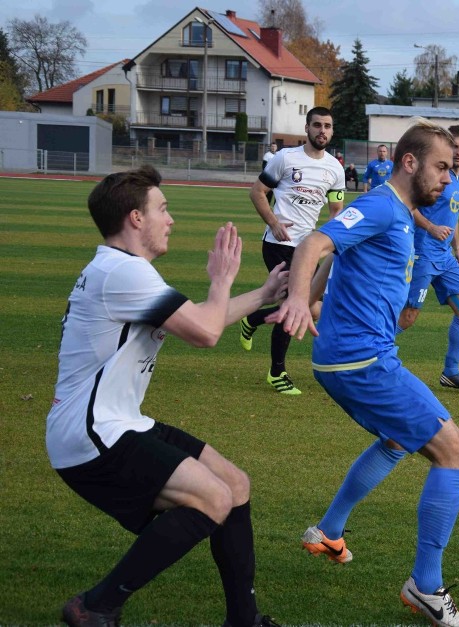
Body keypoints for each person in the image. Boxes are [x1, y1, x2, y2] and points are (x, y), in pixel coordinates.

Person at [47, 165, 287, 627]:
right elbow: (205, 332)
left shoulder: (119, 270)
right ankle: (96, 605)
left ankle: (244, 619)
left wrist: (261, 294)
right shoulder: (124, 272)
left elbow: (199, 318)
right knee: (211, 499)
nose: (170, 219)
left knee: (234, 486)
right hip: (91, 433)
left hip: (116, 421)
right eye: (163, 208)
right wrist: (222, 277)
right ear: (135, 218)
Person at [264, 118, 459, 627]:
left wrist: (310, 301)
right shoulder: (382, 203)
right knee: (454, 453)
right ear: (409, 162)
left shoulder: (398, 212)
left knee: (400, 440)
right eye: (442, 167)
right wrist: (296, 300)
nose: (449, 178)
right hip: (364, 360)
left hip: (348, 359)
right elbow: (316, 243)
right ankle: (426, 587)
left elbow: (336, 260)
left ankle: (329, 531)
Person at [240, 106, 345, 395]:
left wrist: (325, 242)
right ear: (307, 128)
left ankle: (254, 319)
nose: (322, 131)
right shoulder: (284, 159)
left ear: (332, 131)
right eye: (317, 125)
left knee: (309, 308)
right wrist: (272, 222)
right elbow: (257, 192)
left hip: (306, 249)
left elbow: (337, 211)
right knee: (295, 304)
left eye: (327, 126)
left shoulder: (335, 169)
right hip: (278, 244)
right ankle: (277, 373)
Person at [398, 125, 459, 392]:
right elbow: (408, 206)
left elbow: (453, 217)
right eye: (454, 146)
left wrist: (458, 247)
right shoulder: (433, 175)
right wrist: (431, 228)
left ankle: (451, 372)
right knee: (408, 317)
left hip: (445, 258)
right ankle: (364, 359)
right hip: (422, 254)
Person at [261, 142, 278, 206]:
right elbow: (264, 166)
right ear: (270, 147)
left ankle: (276, 206)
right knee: (269, 192)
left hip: (277, 177)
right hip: (270, 177)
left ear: (276, 148)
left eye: (274, 146)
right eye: (272, 146)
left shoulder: (278, 155)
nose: (273, 148)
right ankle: (266, 205)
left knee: (277, 192)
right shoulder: (267, 155)